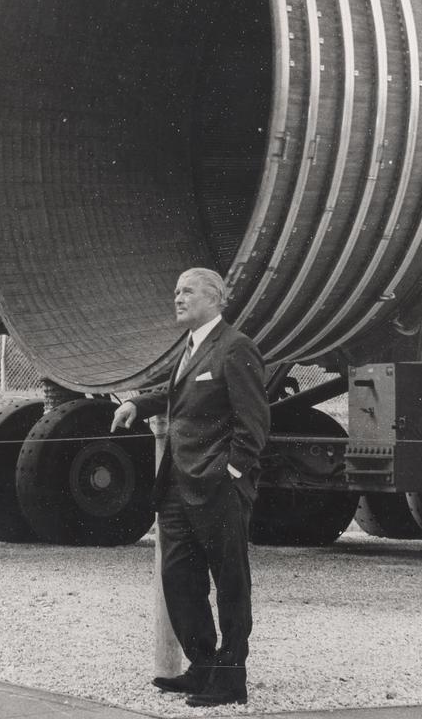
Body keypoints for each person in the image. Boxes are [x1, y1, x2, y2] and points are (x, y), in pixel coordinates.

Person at [111, 267, 270, 708]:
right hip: (179, 487)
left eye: (187, 292)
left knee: (230, 581)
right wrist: (136, 403)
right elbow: (177, 393)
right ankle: (202, 668)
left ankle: (231, 676)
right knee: (179, 578)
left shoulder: (236, 348)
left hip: (218, 487)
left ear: (215, 298)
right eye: (176, 291)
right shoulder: (193, 346)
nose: (177, 299)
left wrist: (232, 474)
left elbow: (253, 425)